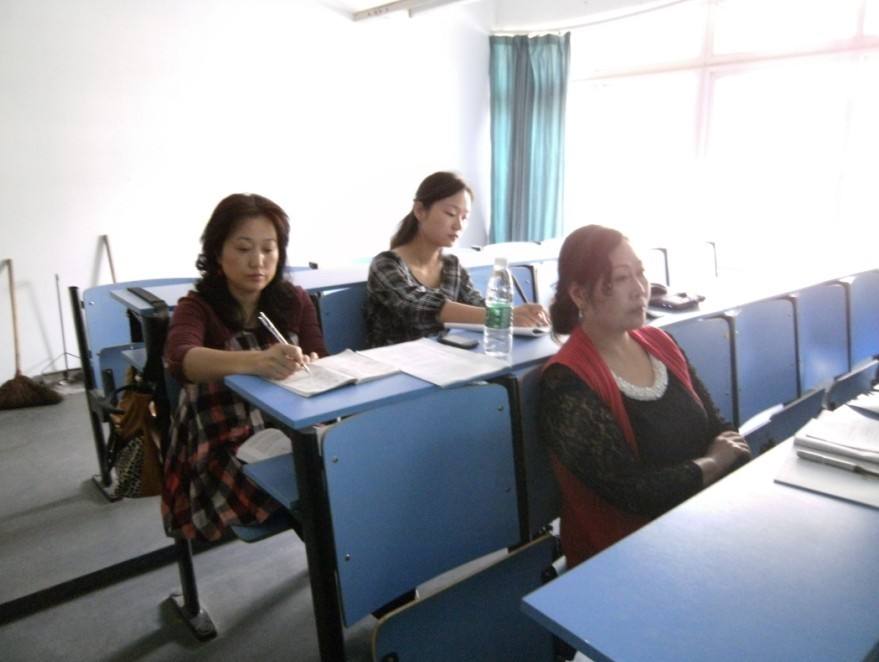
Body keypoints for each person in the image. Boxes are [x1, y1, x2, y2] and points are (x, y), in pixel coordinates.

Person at [539, 224, 750, 567]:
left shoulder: (660, 343)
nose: (639, 290)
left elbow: (720, 428)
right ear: (580, 294)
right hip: (627, 557)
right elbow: (634, 493)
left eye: (640, 273)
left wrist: (725, 459)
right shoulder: (566, 382)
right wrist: (713, 463)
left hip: (700, 524)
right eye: (622, 278)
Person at [162, 193, 328, 542]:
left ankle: (351, 568)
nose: (258, 261)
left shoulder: (294, 300)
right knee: (314, 494)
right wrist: (256, 361)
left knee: (343, 475)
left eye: (269, 249)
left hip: (288, 425)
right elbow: (180, 359)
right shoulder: (198, 307)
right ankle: (341, 569)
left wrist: (313, 364)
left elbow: (320, 357)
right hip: (222, 443)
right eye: (243, 248)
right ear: (217, 253)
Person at [364, 171, 548, 347]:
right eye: (450, 214)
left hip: (445, 358)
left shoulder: (452, 265)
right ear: (420, 211)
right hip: (396, 365)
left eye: (465, 217)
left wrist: (520, 314)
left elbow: (477, 305)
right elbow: (419, 307)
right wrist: (503, 317)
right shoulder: (386, 265)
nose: (459, 225)